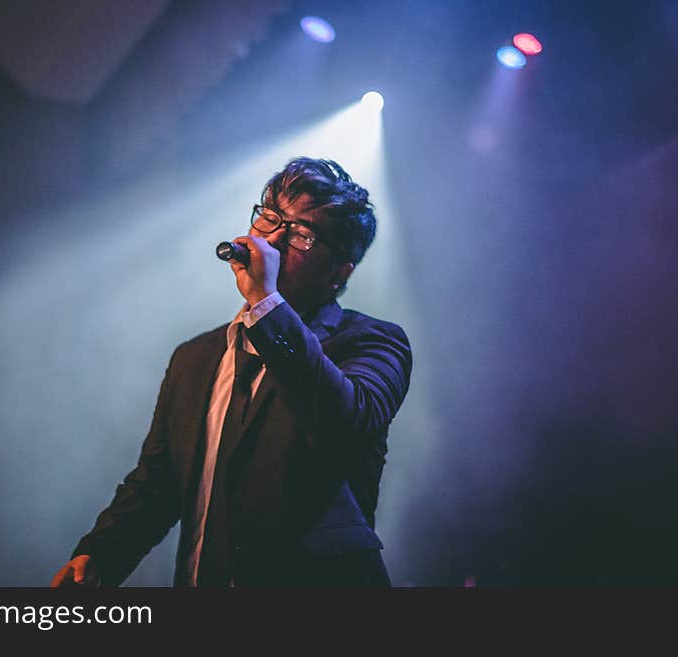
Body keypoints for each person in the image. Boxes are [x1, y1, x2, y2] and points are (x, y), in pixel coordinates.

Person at [51, 157, 412, 587]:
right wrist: (101, 553)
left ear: (339, 272)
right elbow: (158, 481)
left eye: (301, 234)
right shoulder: (195, 358)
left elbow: (345, 420)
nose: (272, 239)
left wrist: (265, 301)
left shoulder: (372, 343)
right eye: (271, 218)